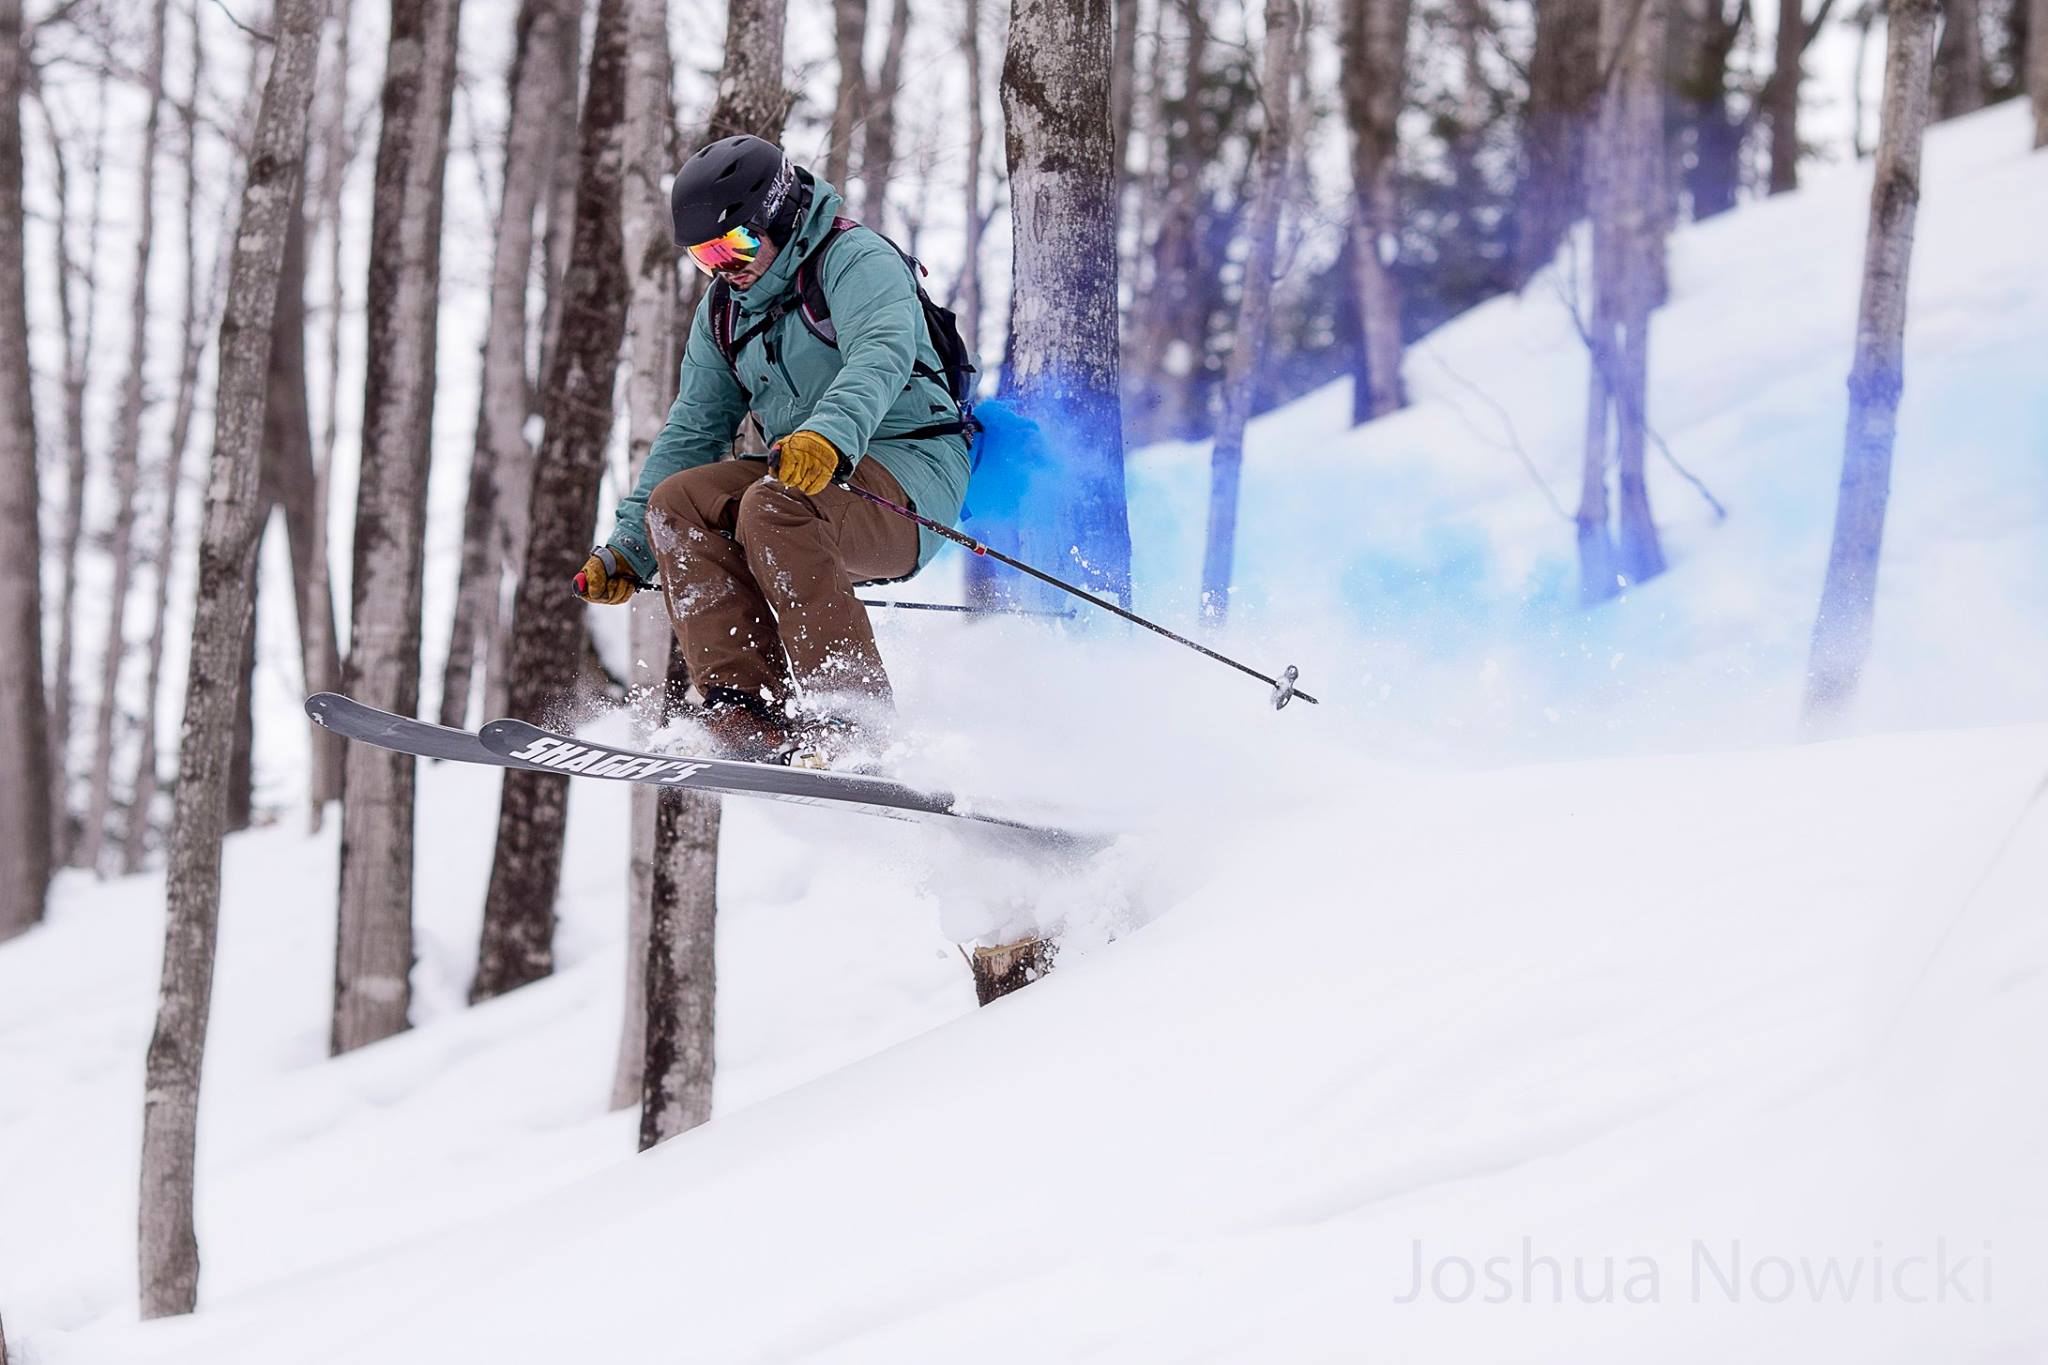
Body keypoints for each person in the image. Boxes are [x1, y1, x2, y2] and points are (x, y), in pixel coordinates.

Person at [573, 135, 973, 766]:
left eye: (735, 245)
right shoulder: (725, 312)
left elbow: (881, 355)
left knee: (773, 505)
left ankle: (852, 718)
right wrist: (628, 546)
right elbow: (692, 429)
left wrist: (829, 437)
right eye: (706, 256)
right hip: (802, 474)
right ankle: (744, 709)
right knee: (680, 503)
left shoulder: (855, 259)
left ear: (780, 214)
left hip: (908, 473)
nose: (724, 267)